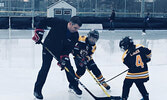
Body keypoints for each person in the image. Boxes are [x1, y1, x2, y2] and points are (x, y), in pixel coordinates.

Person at [32, 16, 82, 99]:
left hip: (61, 51)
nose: (76, 30)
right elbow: (43, 21)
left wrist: (64, 58)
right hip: (48, 48)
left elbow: (69, 48)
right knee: (45, 67)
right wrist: (39, 33)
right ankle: (37, 90)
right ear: (70, 24)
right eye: (75, 28)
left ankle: (73, 85)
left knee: (68, 67)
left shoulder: (75, 35)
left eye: (77, 28)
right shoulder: (59, 22)